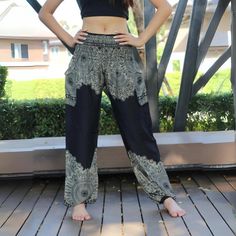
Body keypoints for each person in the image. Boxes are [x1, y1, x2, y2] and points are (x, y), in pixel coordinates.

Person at [38, 0, 186, 221]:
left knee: (138, 128)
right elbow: (45, 13)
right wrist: (69, 39)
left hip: (122, 54)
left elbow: (164, 7)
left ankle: (165, 195)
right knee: (82, 127)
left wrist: (140, 39)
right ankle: (78, 201)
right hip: (86, 55)